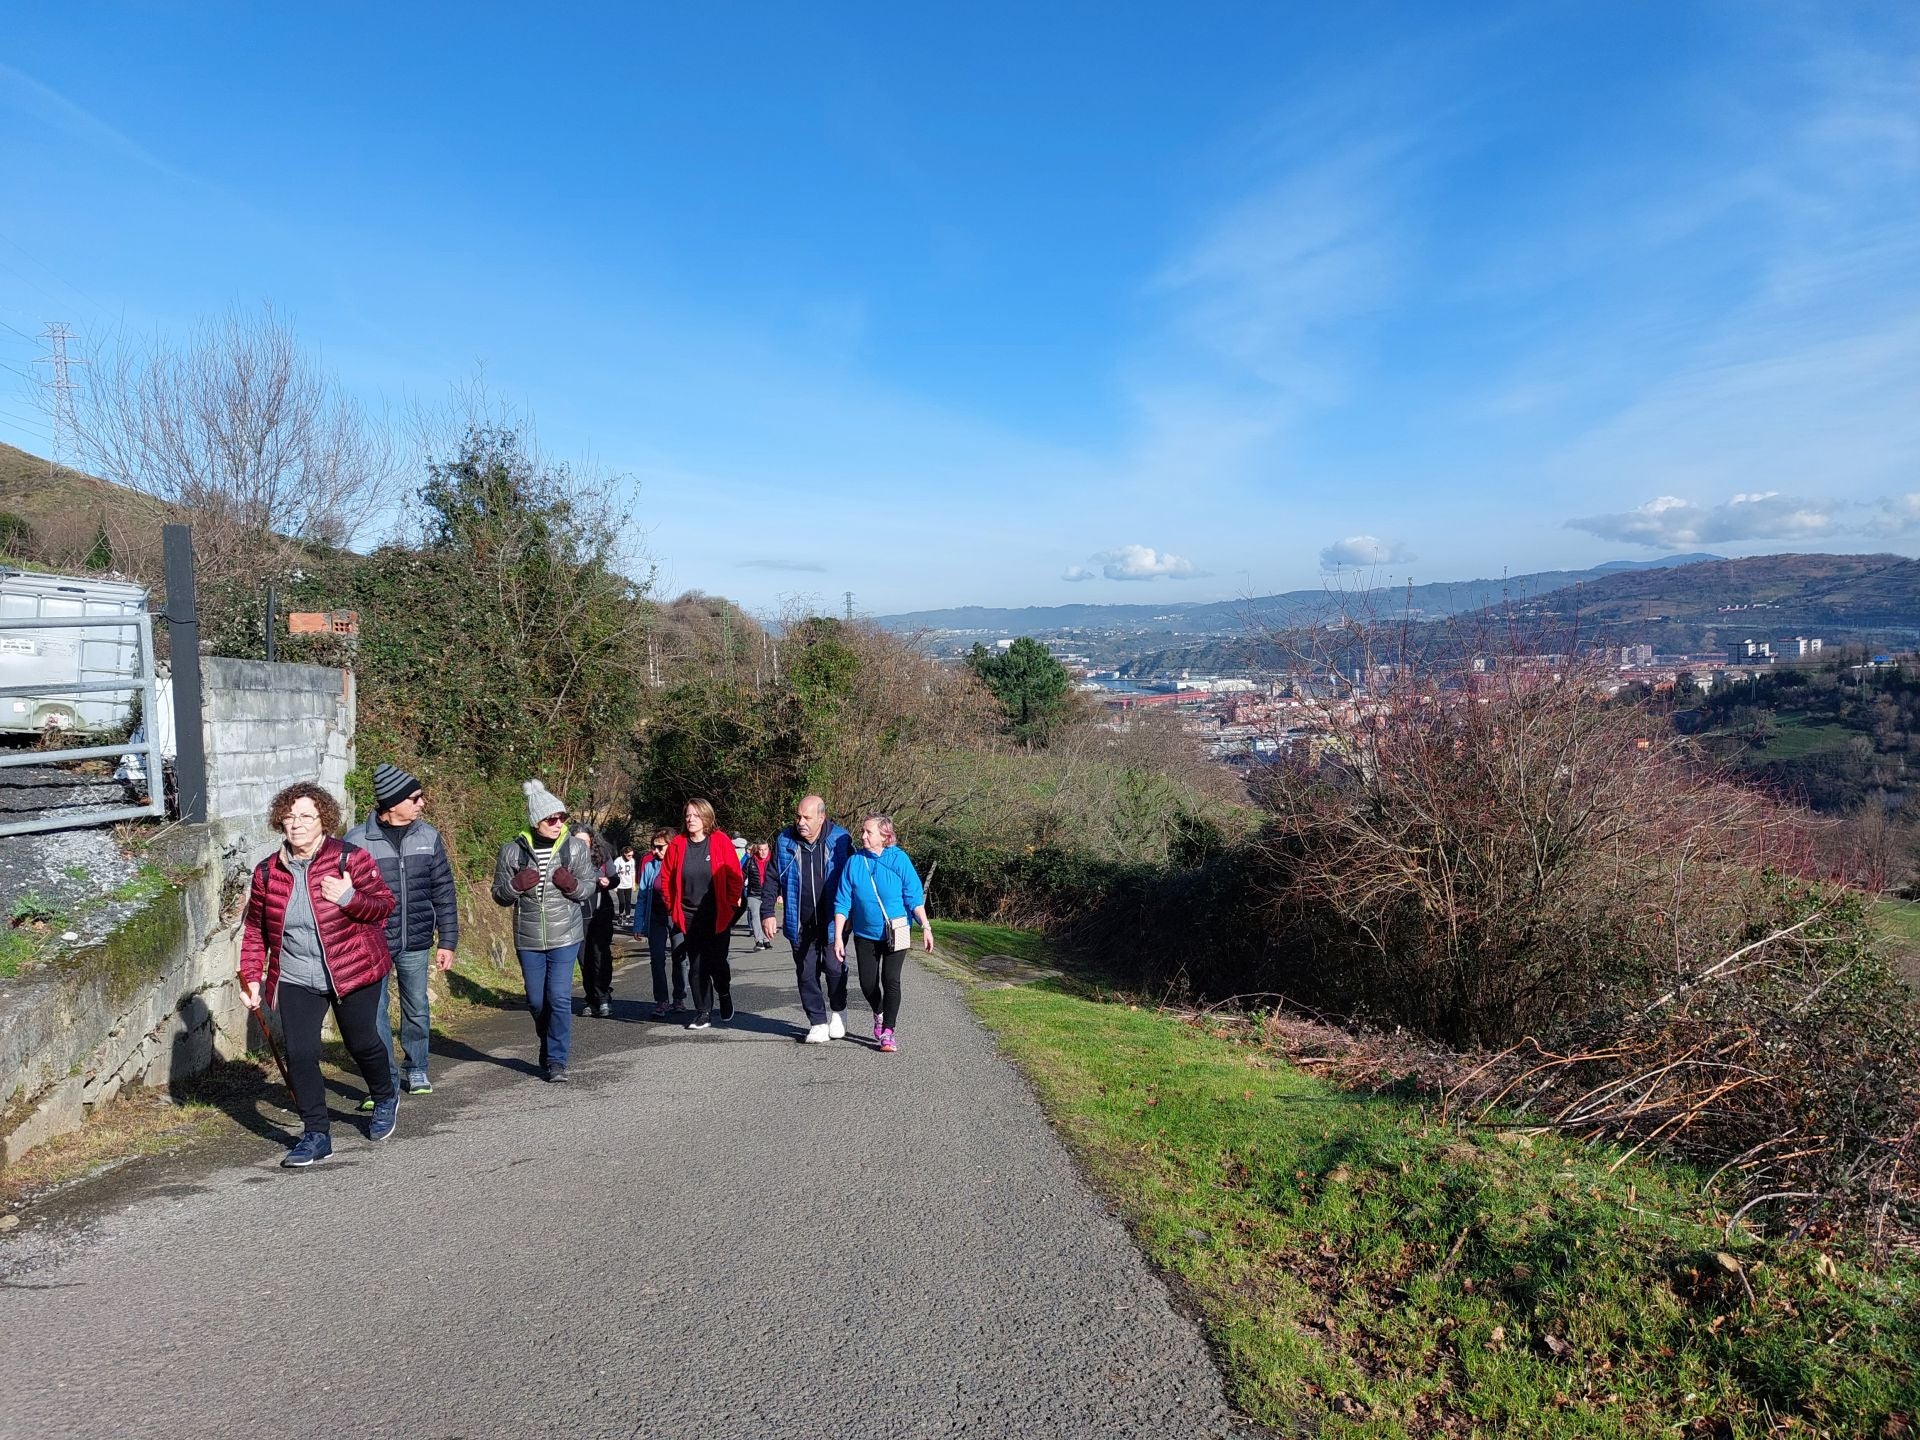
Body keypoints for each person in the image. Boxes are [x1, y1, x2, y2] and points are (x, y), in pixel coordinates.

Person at [239, 781, 399, 1167]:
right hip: (296, 975)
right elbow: (256, 929)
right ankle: (316, 1134)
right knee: (300, 1053)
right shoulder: (267, 873)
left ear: (323, 820)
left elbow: (383, 907)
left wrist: (348, 897)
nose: (296, 824)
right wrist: (251, 976)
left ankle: (384, 1094)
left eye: (306, 816)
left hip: (353, 968)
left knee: (361, 1043)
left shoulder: (351, 859)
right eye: (290, 817)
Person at [345, 762, 458, 1098]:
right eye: (416, 797)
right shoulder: (356, 842)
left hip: (417, 941)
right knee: (374, 1012)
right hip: (372, 944)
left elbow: (444, 892)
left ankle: (418, 1067)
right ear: (393, 802)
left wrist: (448, 940)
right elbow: (341, 898)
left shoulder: (429, 837)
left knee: (417, 1007)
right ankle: (385, 1079)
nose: (422, 803)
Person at [491, 780, 595, 1082]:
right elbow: (499, 894)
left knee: (559, 998)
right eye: (552, 818)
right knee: (537, 1001)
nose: (558, 823)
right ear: (536, 821)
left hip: (566, 935)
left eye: (562, 817)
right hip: (528, 937)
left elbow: (588, 887)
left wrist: (572, 885)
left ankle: (557, 1061)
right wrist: (515, 885)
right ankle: (548, 1042)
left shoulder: (574, 849)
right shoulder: (512, 851)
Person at [833, 814, 933, 1054]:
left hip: (897, 930)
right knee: (868, 983)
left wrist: (926, 927)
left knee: (891, 979)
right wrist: (838, 936)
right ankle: (878, 1013)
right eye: (863, 831)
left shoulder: (899, 859)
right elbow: (842, 902)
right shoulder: (855, 862)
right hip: (865, 934)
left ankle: (888, 1031)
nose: (863, 836)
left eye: (869, 832)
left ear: (885, 836)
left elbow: (913, 896)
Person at [762, 795, 853, 1045]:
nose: (800, 822)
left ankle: (838, 1010)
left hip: (833, 922)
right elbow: (771, 878)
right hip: (798, 920)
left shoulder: (841, 840)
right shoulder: (785, 840)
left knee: (834, 968)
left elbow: (855, 877)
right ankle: (817, 1022)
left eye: (807, 817)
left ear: (821, 818)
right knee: (806, 972)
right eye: (798, 816)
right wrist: (768, 912)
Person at [656, 799, 744, 1031]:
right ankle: (703, 1012)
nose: (691, 819)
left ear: (706, 817)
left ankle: (723, 992)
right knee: (697, 966)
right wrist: (670, 905)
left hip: (717, 914)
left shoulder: (720, 841)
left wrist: (732, 902)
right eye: (688, 815)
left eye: (696, 815)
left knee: (717, 963)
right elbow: (666, 879)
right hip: (689, 915)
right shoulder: (677, 845)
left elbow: (735, 875)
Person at [633, 828, 681, 1017]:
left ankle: (679, 998)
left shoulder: (681, 863)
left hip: (676, 917)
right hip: (656, 918)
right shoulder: (649, 866)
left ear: (671, 845)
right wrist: (638, 925)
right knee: (657, 959)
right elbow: (643, 896)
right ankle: (662, 1001)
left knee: (680, 958)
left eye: (660, 847)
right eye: (653, 847)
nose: (655, 851)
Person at [576, 824, 618, 1018]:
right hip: (577, 914)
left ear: (592, 840)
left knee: (600, 956)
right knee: (584, 959)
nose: (582, 845)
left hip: (601, 912)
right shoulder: (566, 859)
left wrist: (608, 882)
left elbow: (614, 878)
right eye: (577, 841)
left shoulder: (603, 855)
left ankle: (603, 997)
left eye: (585, 841)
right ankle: (590, 998)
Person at [741, 840, 772, 951]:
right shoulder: (750, 861)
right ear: (757, 850)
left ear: (768, 849)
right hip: (754, 893)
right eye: (760, 849)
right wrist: (738, 894)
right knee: (755, 916)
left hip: (768, 893)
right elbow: (742, 876)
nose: (763, 852)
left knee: (765, 916)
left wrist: (780, 894)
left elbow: (780, 878)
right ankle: (759, 941)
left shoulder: (773, 861)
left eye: (765, 849)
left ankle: (766, 940)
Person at [613, 844, 638, 925]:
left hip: (628, 884)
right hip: (620, 885)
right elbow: (613, 873)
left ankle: (627, 917)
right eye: (629, 855)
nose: (630, 857)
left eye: (632, 855)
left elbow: (633, 872)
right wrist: (615, 886)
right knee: (622, 902)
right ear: (624, 853)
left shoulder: (632, 861)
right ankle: (620, 916)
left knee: (628, 902)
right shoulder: (618, 861)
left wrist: (633, 883)